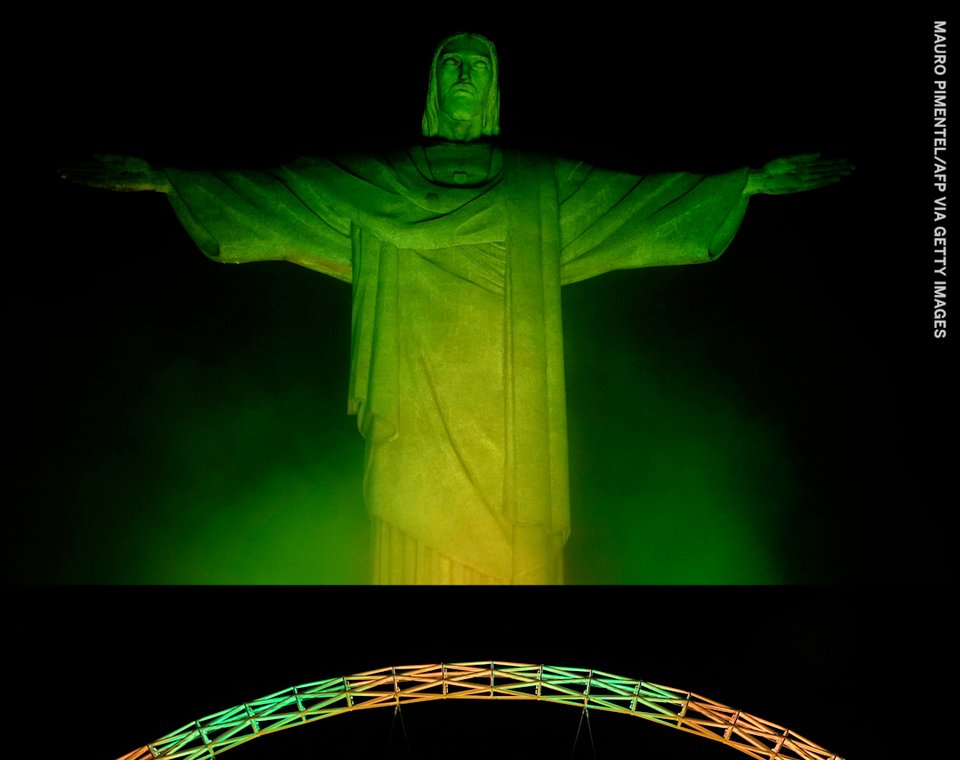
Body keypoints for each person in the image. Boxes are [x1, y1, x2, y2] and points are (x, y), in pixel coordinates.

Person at [65, 32, 851, 585]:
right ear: (435, 89)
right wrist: (168, 180)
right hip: (414, 419)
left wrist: (742, 183)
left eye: (480, 66)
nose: (467, 77)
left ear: (496, 88)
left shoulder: (539, 189)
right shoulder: (380, 182)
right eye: (454, 67)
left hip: (511, 440)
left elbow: (638, 205)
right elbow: (282, 195)